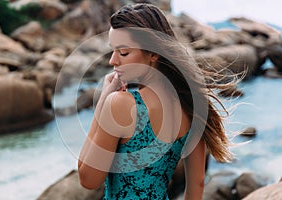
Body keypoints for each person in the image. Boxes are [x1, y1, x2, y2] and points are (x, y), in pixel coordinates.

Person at [78, 3, 236, 200]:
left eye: (123, 52)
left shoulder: (121, 104)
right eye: (113, 51)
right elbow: (197, 184)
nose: (112, 61)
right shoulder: (191, 106)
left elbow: (88, 179)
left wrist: (103, 100)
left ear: (153, 53)